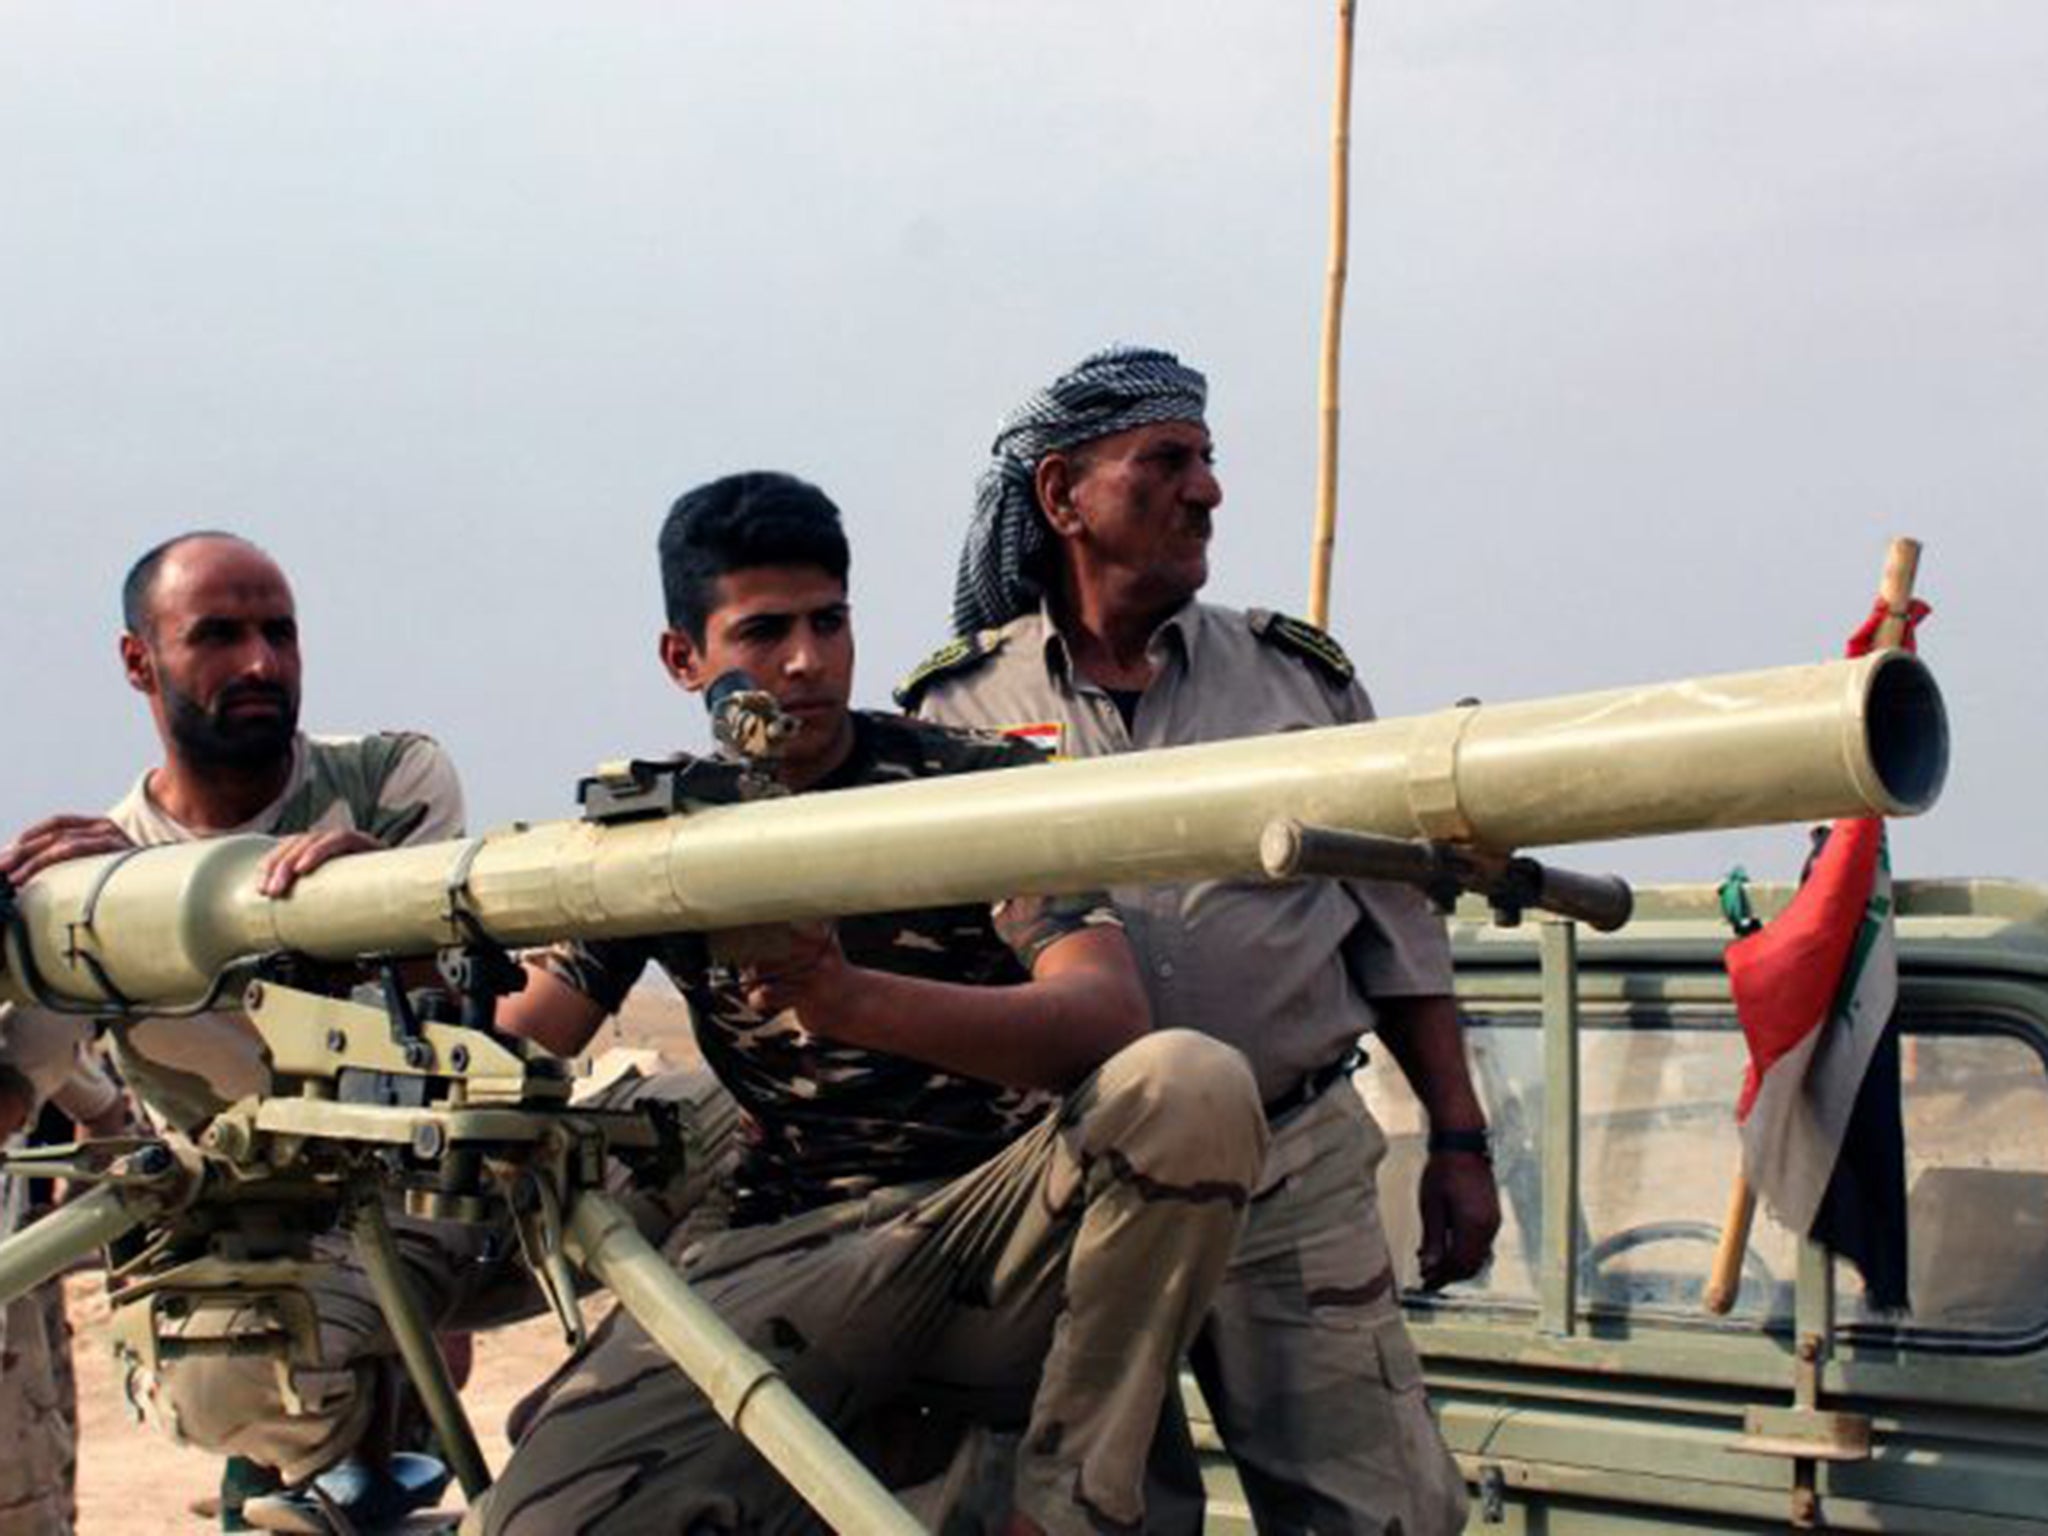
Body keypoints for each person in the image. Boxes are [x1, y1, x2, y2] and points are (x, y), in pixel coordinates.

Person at [470, 471, 1267, 1536]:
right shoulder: (658, 831)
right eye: (761, 632)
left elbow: (1104, 1019)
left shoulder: (963, 787)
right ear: (683, 660)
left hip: (987, 1235)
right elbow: (521, 1044)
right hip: (793, 1252)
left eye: (827, 622)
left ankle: (1069, 1506)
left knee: (1189, 1083)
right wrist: (379, 936)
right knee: (538, 1520)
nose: (804, 661)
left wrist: (845, 999)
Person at [0, 531, 738, 1536]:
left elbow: (468, 1020)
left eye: (279, 633)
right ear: (140, 663)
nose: (260, 664)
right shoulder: (102, 893)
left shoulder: (387, 783)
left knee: (739, 1123)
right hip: (269, 1293)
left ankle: (596, 1424)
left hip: (452, 1209)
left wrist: (369, 909)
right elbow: (11, 1103)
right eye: (218, 636)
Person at [904, 345, 1503, 1536]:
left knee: (1380, 1508)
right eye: (1165, 462)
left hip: (1291, 1169)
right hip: (1074, 1183)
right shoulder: (953, 714)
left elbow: (1395, 936)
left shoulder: (1294, 682)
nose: (1207, 491)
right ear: (1062, 496)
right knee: (1094, 1509)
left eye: (1209, 460)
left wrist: (1457, 1136)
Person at [0, 1009, 126, 1536]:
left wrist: (63, 1225)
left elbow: (105, 1113)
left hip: (16, 1303)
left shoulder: (30, 1045)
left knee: (29, 1499)